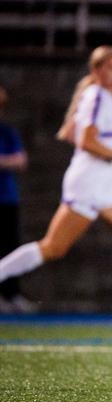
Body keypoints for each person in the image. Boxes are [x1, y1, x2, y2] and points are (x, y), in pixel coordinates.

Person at [0, 46, 112, 330]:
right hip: (89, 182)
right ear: (96, 70)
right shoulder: (96, 96)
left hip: (106, 181)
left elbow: (74, 133)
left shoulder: (100, 98)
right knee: (53, 247)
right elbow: (86, 141)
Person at [0, 86, 37, 314]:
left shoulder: (6, 133)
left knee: (9, 246)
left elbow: (20, 160)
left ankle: (11, 294)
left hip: (6, 198)